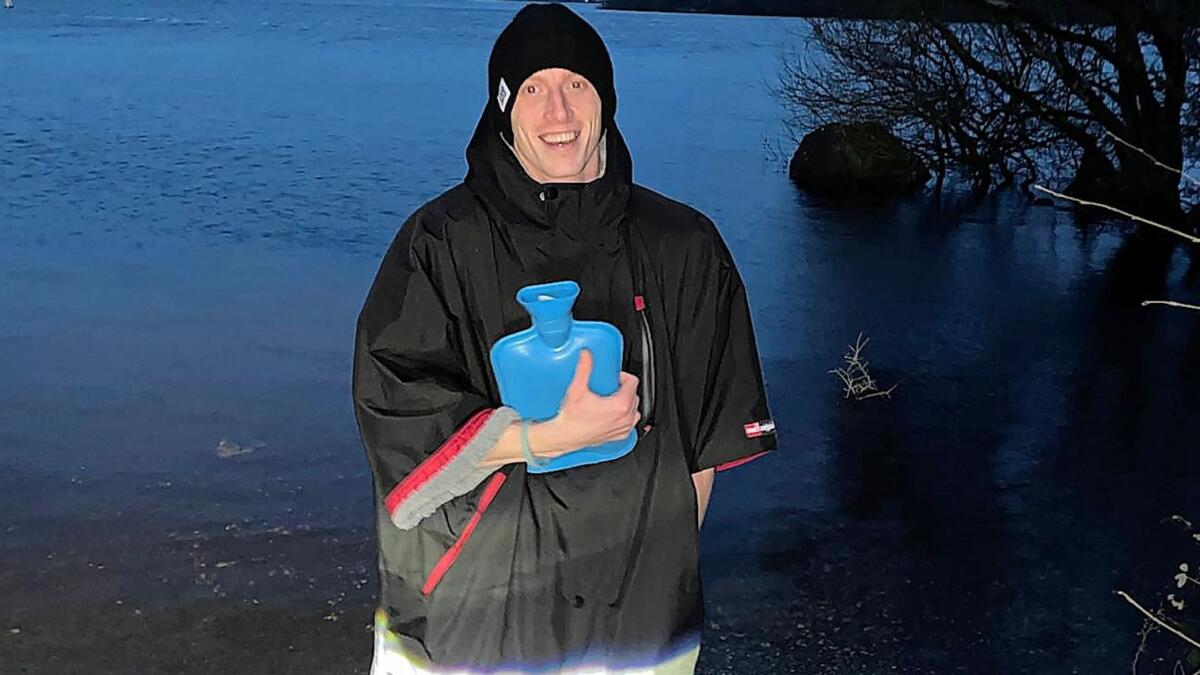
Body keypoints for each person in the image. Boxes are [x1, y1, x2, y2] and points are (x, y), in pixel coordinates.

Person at [353, 3, 777, 674]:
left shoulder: (685, 246)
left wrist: (656, 562)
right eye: (533, 89)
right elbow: (393, 406)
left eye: (576, 84)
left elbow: (707, 441)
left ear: (605, 99)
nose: (558, 111)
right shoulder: (439, 243)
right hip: (469, 613)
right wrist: (539, 439)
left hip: (635, 625)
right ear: (503, 109)